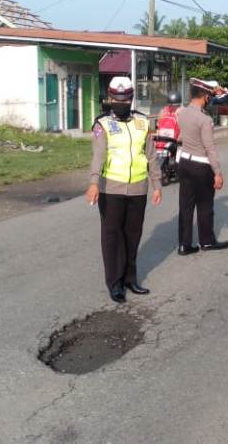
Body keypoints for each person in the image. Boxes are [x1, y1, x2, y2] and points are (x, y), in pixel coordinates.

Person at [86, 77, 163, 303]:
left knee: (133, 235)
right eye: (116, 99)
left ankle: (130, 278)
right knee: (112, 237)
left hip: (138, 189)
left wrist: (156, 183)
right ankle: (115, 283)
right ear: (110, 98)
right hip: (111, 189)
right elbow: (98, 155)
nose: (120, 102)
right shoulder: (102, 124)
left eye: (125, 99)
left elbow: (151, 155)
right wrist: (93, 183)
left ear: (130, 98)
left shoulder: (141, 122)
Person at [175, 79, 228, 255]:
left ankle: (184, 244)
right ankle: (206, 241)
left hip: (184, 163)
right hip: (201, 166)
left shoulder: (181, 112)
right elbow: (210, 148)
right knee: (205, 206)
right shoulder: (204, 119)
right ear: (206, 97)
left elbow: (181, 137)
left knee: (185, 205)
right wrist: (218, 173)